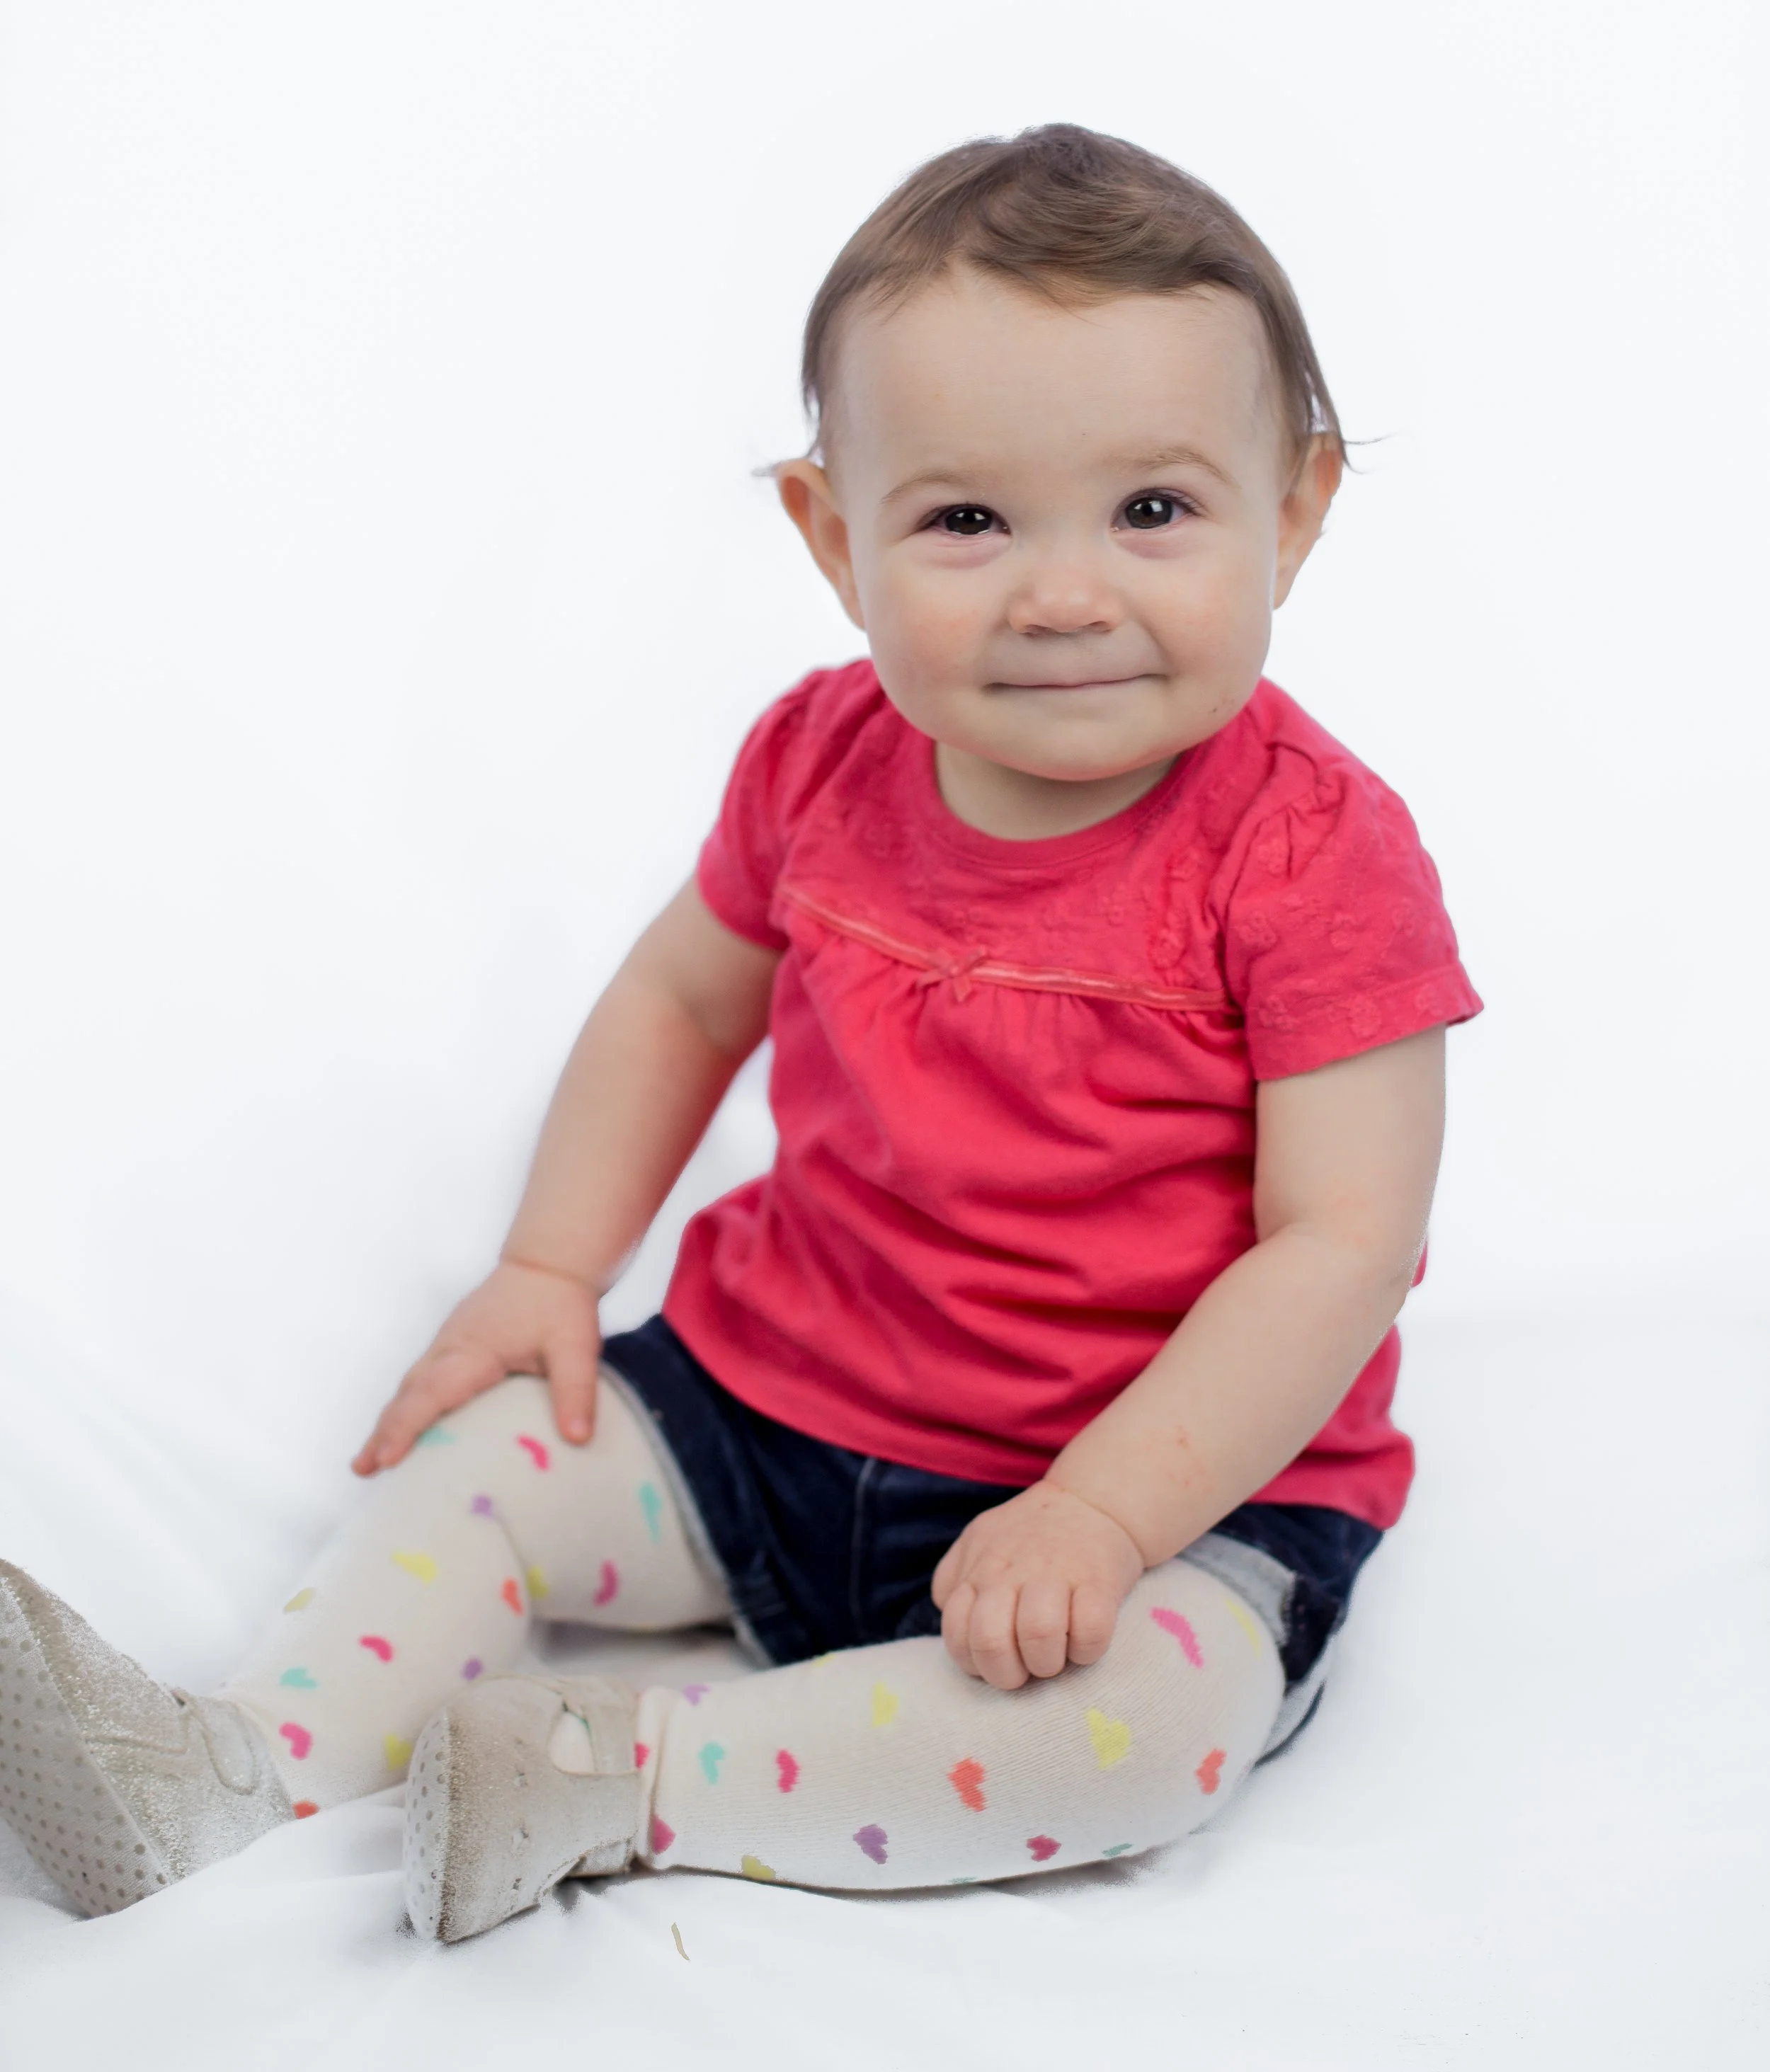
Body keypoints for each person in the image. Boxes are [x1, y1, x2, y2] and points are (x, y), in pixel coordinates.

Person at [0, 123, 1479, 1942]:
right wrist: (550, 1267)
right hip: (762, 1409)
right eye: (965, 520)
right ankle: (233, 1766)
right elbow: (680, 996)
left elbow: (1340, 1240)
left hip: (1160, 1495)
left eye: (1153, 511)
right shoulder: (820, 758)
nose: (1063, 592)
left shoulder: (1310, 854)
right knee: (483, 1461)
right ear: (833, 537)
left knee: (1148, 1730)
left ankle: (612, 1772)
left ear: (1296, 509)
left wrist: (1097, 1513)